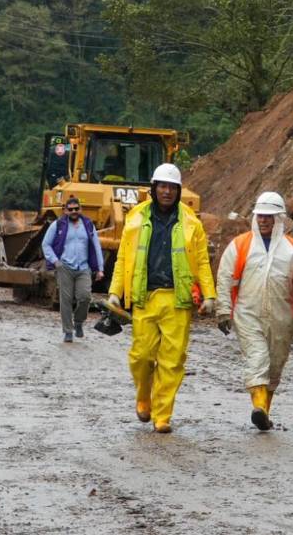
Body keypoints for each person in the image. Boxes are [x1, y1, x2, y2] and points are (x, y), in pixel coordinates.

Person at [108, 163, 217, 433]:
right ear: (153, 189)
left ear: (178, 191)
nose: (167, 192)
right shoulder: (135, 217)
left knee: (172, 360)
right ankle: (144, 396)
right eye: (162, 186)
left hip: (177, 300)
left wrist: (209, 295)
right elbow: (123, 258)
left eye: (172, 187)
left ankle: (162, 414)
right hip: (145, 297)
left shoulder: (191, 222)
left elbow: (202, 261)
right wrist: (114, 292)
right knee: (141, 357)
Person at [216, 192, 293, 431]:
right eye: (260, 215)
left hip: (282, 317)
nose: (263, 220)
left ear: (279, 218)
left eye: (268, 216)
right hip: (247, 313)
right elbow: (225, 278)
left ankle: (264, 412)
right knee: (258, 357)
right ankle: (259, 407)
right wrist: (224, 310)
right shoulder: (240, 245)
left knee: (275, 364)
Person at [41, 197, 105, 342]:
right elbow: (46, 244)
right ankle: (68, 331)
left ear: (80, 209)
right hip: (65, 267)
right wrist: (55, 261)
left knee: (85, 297)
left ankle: (78, 321)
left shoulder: (88, 225)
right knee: (66, 300)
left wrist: (100, 268)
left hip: (84, 267)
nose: (74, 211)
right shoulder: (58, 225)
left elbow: (96, 246)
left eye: (76, 209)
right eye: (70, 209)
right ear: (65, 211)